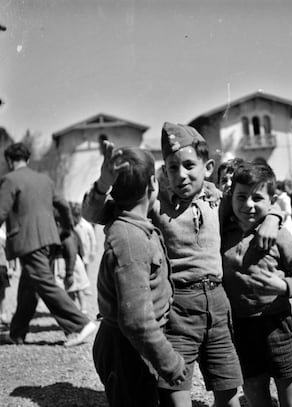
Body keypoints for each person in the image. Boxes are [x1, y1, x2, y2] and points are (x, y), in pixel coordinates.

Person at [83, 123, 282, 407]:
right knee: (176, 392)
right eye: (173, 168)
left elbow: (259, 202)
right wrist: (103, 185)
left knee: (228, 391)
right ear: (163, 171)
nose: (181, 175)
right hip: (178, 307)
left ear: (208, 166)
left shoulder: (219, 201)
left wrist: (274, 217)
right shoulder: (154, 203)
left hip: (218, 304)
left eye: (189, 165)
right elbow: (95, 213)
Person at [92, 147, 187, 407]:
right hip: (127, 349)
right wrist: (170, 363)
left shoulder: (128, 222)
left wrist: (103, 184)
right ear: (153, 183)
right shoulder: (131, 240)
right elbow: (136, 321)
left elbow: (91, 210)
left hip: (131, 345)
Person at [221, 162, 292, 407]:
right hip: (240, 329)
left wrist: (284, 285)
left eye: (257, 198)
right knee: (255, 395)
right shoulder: (221, 231)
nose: (248, 204)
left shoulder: (279, 235)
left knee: (291, 401)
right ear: (231, 197)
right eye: (241, 197)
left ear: (272, 200)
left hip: (278, 326)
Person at [0, 143, 95, 346]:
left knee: (44, 283)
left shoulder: (10, 180)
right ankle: (17, 333)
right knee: (28, 287)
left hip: (28, 241)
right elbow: (62, 204)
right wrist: (67, 229)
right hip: (50, 238)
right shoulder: (44, 179)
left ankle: (79, 324)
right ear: (27, 159)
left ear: (9, 161)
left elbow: (1, 211)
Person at [53, 220, 90, 314]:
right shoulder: (72, 234)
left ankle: (82, 309)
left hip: (71, 265)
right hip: (70, 264)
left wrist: (69, 273)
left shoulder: (67, 237)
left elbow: (71, 253)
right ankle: (73, 310)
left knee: (78, 289)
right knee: (71, 290)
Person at [71, 202, 97, 274]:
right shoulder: (72, 225)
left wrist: (92, 252)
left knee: (84, 271)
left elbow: (93, 241)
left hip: (85, 252)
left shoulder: (87, 226)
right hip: (76, 252)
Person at [0, 225, 10, 325]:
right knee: (2, 293)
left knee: (2, 292)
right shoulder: (2, 234)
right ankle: (3, 314)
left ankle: (3, 314)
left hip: (1, 265)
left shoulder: (2, 233)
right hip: (2, 266)